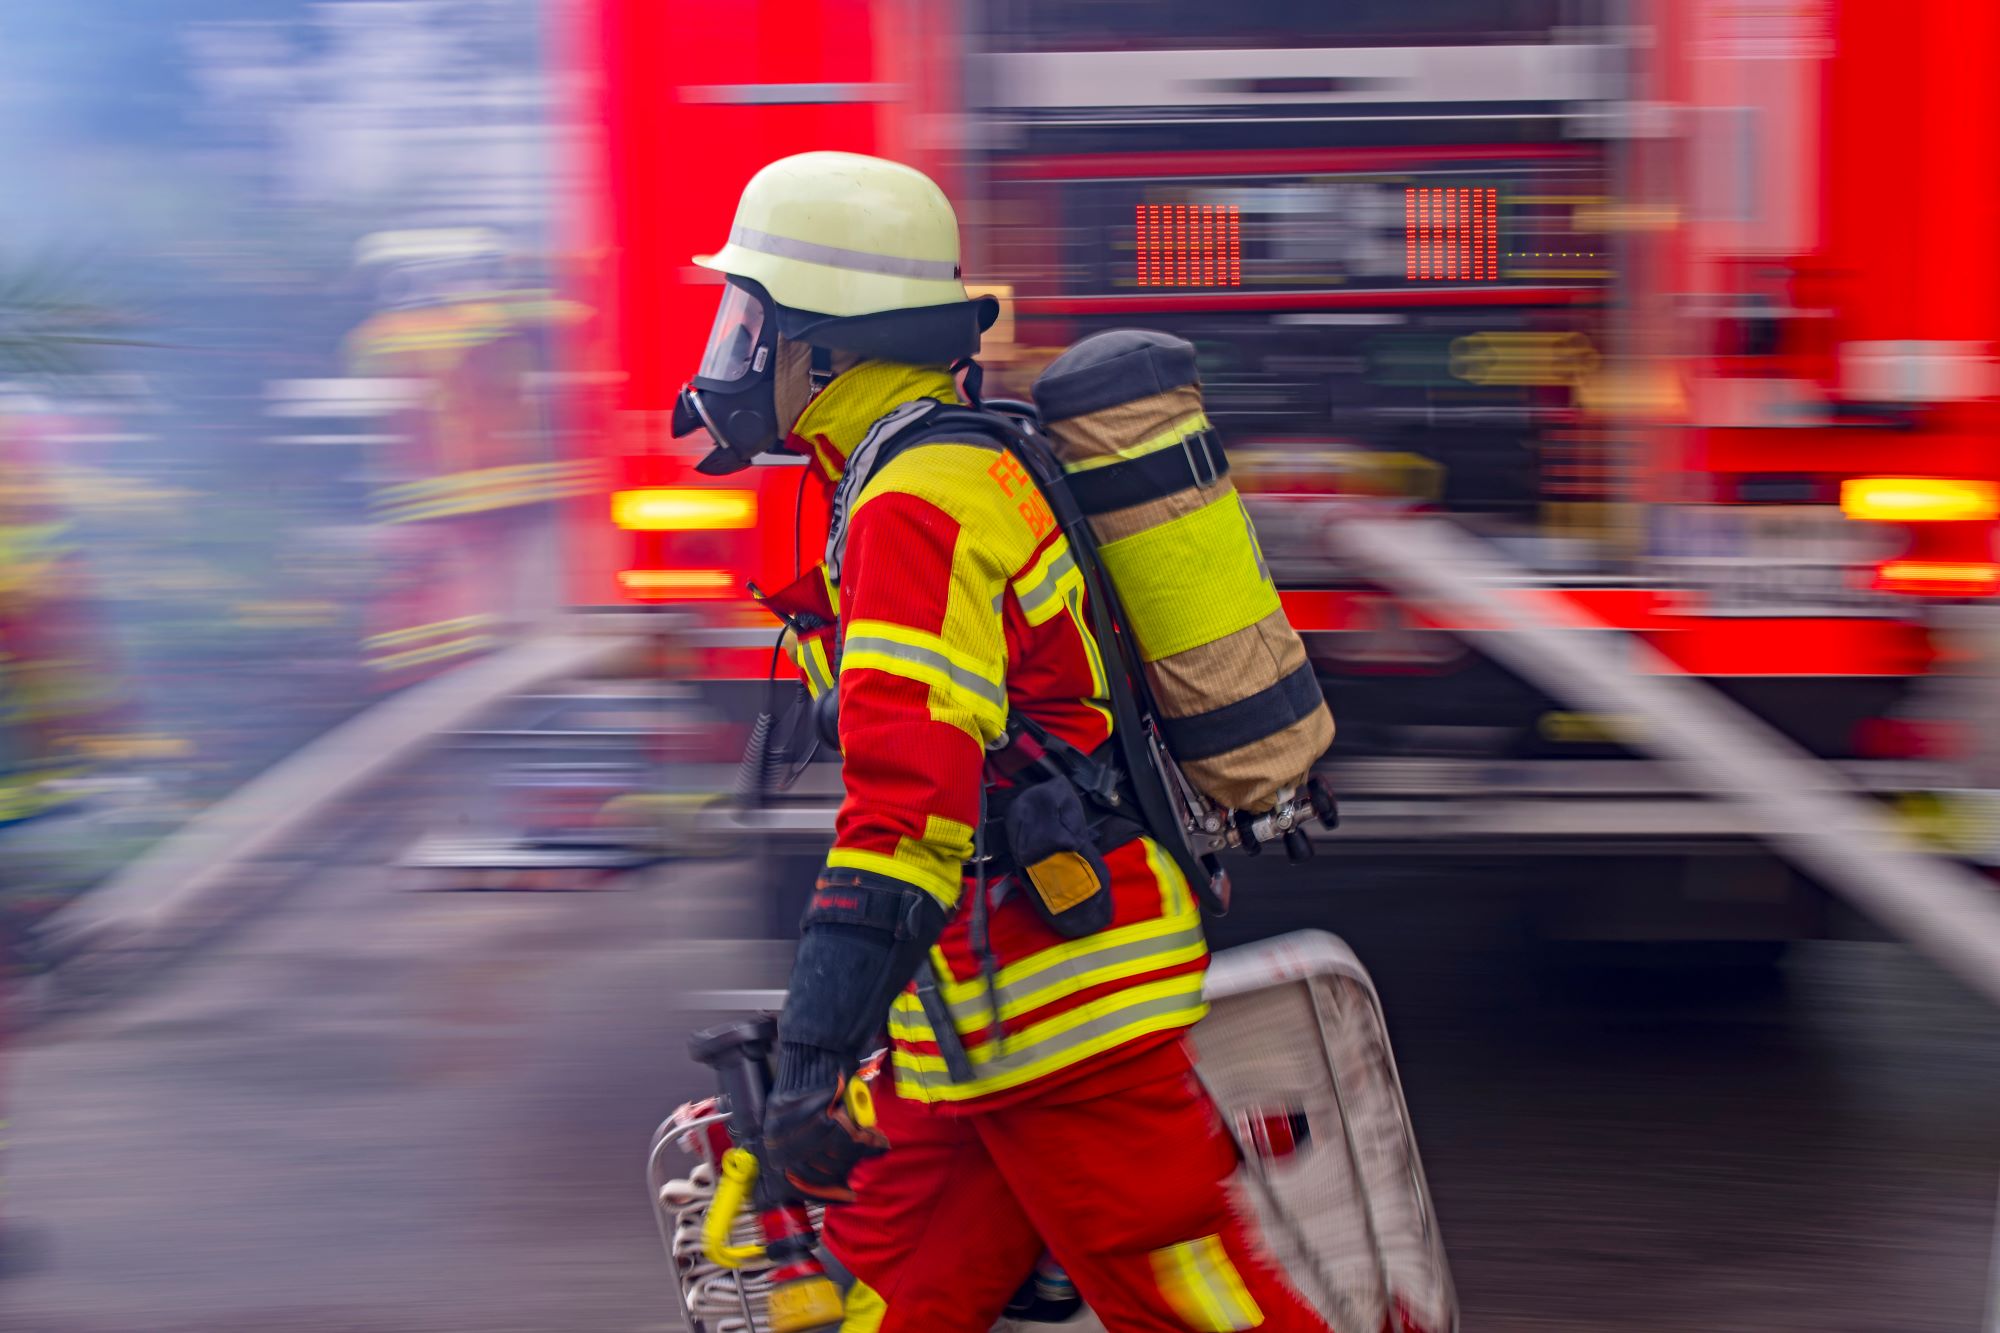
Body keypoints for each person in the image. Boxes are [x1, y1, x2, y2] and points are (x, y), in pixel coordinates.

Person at [675, 150, 1334, 1333]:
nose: (734, 355)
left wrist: (818, 1050)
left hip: (1057, 1015)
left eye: (751, 323)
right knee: (880, 1299)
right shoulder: (929, 465)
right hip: (980, 1014)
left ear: (825, 345)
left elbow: (908, 813)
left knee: (1196, 1306)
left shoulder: (914, 505)